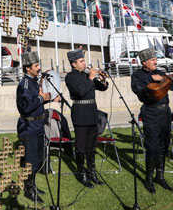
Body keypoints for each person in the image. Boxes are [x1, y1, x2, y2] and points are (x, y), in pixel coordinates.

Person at [131, 48, 173, 193]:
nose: (156, 62)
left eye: (156, 59)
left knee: (163, 146)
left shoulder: (160, 74)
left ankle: (160, 177)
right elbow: (137, 89)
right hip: (151, 113)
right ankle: (149, 179)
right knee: (152, 148)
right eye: (153, 60)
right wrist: (150, 79)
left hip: (165, 113)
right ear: (144, 62)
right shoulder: (137, 75)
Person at [16, 51, 58, 203]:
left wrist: (47, 99)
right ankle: (29, 189)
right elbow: (26, 107)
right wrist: (42, 98)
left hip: (38, 125)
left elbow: (36, 103)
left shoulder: (34, 81)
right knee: (31, 160)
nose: (39, 68)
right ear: (28, 68)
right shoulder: (25, 84)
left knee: (37, 159)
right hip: (29, 126)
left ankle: (32, 184)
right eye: (36, 65)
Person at [65, 49, 108, 187]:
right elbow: (80, 91)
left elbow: (101, 88)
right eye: (81, 61)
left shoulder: (85, 75)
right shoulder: (70, 77)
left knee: (92, 145)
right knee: (81, 146)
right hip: (80, 112)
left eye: (84, 61)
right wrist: (90, 78)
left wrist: (102, 80)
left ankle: (91, 172)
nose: (85, 64)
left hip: (92, 113)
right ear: (73, 64)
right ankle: (81, 173)